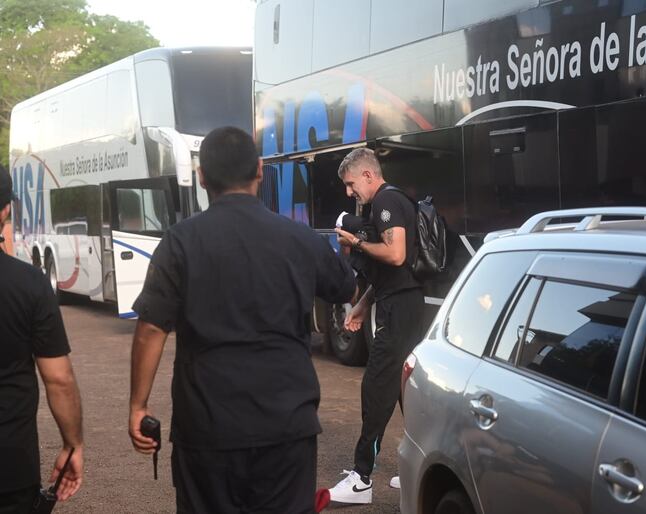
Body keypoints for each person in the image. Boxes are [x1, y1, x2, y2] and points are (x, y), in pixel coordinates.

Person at [128, 126, 357, 513]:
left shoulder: (180, 241)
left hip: (207, 427)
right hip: (287, 427)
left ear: (201, 177)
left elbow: (152, 327)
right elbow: (346, 289)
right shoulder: (298, 238)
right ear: (260, 171)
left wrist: (138, 405)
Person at [329, 148, 424, 504]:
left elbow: (395, 254)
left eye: (351, 184)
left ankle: (361, 479)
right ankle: (415, 467)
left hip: (400, 311)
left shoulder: (386, 202)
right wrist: (360, 306)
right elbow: (391, 276)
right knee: (403, 390)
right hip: (399, 303)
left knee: (377, 387)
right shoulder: (388, 201)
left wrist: (356, 242)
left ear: (368, 175)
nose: (349, 192)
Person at [0, 165, 84, 512]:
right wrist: (73, 444)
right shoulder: (30, 284)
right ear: (6, 209)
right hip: (9, 466)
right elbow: (59, 379)